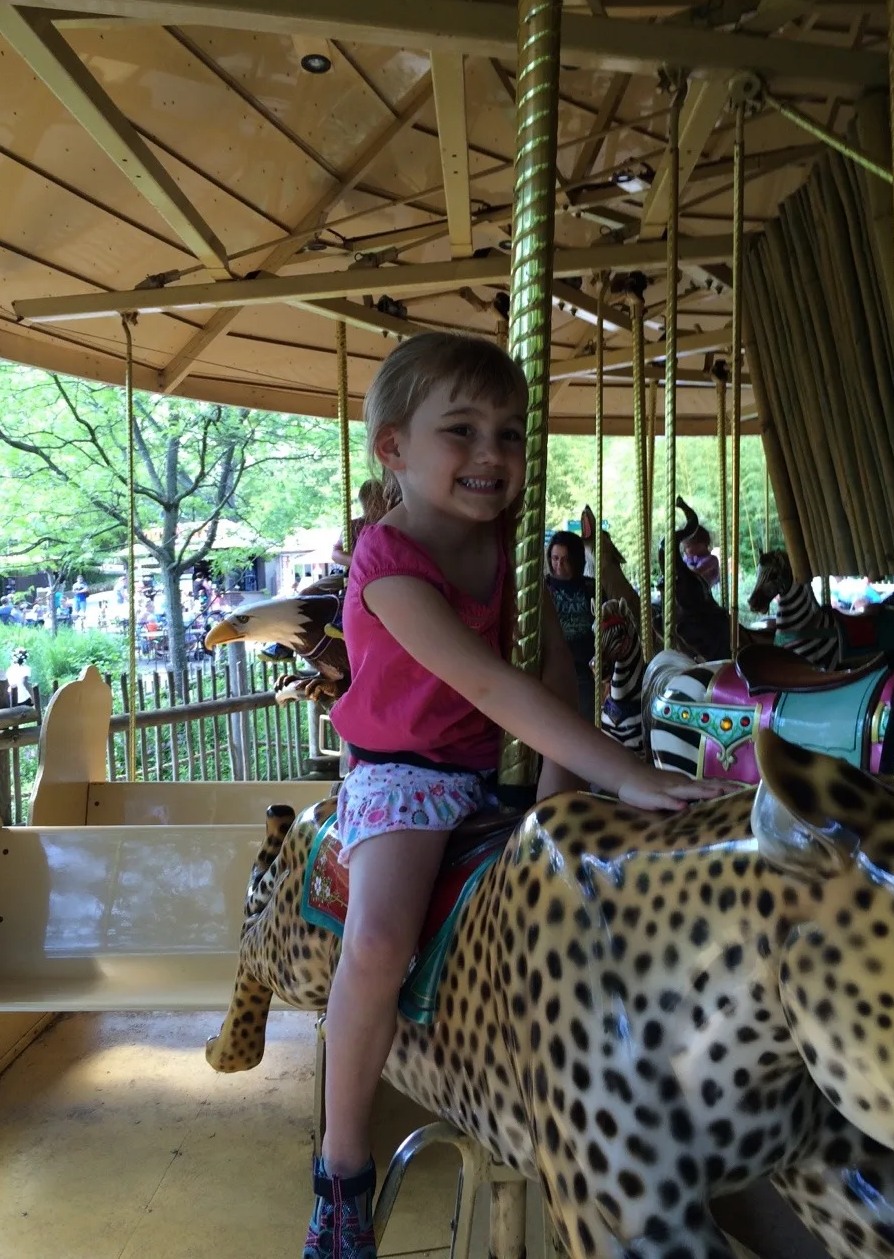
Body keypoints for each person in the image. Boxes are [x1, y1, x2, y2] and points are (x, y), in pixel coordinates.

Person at [310, 332, 724, 1259]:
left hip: (487, 777)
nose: (492, 454)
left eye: (509, 432)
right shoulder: (387, 565)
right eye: (461, 431)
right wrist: (624, 768)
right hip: (399, 779)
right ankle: (341, 1166)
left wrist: (563, 796)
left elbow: (554, 670)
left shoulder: (509, 553)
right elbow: (490, 687)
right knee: (378, 942)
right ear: (394, 450)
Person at [545, 530, 598, 722]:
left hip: (585, 666)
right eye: (555, 558)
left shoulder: (591, 588)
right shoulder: (544, 588)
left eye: (566, 560)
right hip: (553, 664)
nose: (559, 565)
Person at [331, 478, 387, 570]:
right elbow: (335, 554)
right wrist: (360, 563)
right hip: (356, 571)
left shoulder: (389, 525)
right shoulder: (353, 526)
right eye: (373, 503)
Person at [682, 523, 720, 590]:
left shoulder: (711, 560)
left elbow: (695, 573)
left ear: (701, 545)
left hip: (703, 596)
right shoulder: (689, 558)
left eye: (688, 546)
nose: (685, 550)